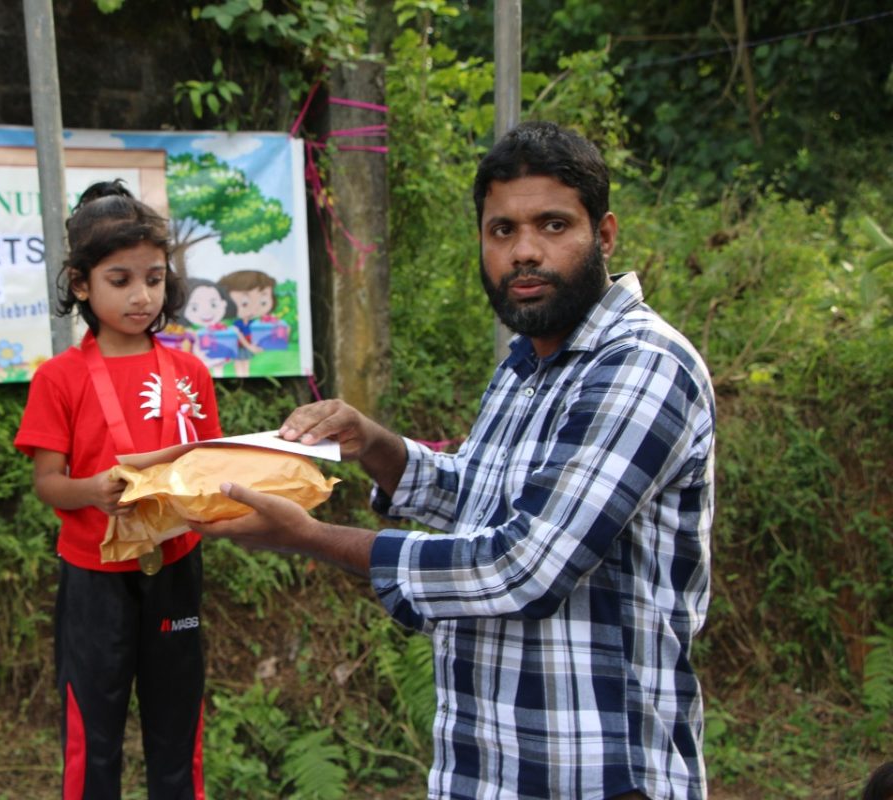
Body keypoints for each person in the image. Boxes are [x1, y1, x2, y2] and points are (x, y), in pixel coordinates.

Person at [191, 121, 716, 800]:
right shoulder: (526, 363)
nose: (525, 252)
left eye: (553, 225)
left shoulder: (642, 366)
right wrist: (374, 444)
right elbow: (481, 497)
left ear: (605, 235)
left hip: (596, 773)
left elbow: (522, 565)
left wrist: (310, 537)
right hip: (486, 767)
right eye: (502, 230)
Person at [14, 180, 222, 800]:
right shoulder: (59, 378)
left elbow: (209, 461)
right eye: (121, 279)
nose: (142, 296)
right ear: (81, 284)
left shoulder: (189, 371)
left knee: (178, 726)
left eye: (154, 279)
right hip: (94, 576)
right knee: (93, 734)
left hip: (176, 564)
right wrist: (94, 492)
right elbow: (48, 483)